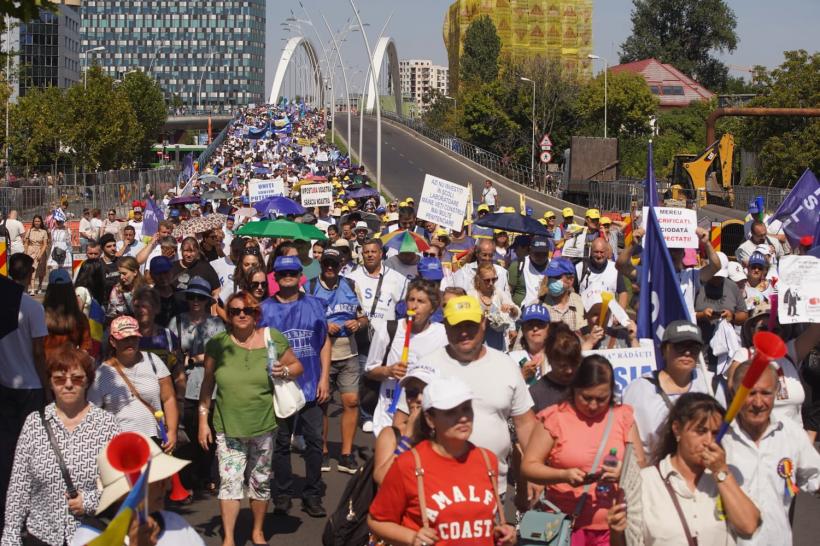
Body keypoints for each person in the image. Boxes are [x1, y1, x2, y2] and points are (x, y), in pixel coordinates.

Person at [198, 291, 303, 546]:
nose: (242, 315)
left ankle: (257, 531)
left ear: (257, 314)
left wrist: (285, 370)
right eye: (235, 311)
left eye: (248, 310)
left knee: (260, 482)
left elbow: (298, 366)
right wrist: (203, 420)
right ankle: (230, 538)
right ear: (228, 316)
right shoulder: (217, 344)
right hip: (228, 427)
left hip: (264, 426)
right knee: (230, 484)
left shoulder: (271, 338)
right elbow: (207, 384)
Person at [368, 376, 516, 546]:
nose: (463, 418)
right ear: (430, 419)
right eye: (451, 412)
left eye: (466, 409)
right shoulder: (409, 464)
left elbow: (472, 520)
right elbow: (377, 520)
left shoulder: (486, 459)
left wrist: (499, 531)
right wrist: (412, 537)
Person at [2, 345, 119, 546]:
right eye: (59, 379)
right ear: (51, 383)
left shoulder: (107, 425)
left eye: (76, 378)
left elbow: (122, 483)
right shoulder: (34, 423)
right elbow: (19, 486)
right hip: (42, 535)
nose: (68, 385)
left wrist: (90, 501)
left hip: (90, 536)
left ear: (88, 381)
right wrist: (10, 535)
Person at [607, 393, 760, 546]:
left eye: (715, 433)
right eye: (700, 431)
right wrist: (617, 531)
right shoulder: (646, 481)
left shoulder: (723, 478)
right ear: (677, 430)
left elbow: (748, 526)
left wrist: (721, 472)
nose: (709, 442)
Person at [423, 295, 537, 493]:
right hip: (436, 488)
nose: (464, 332)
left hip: (492, 488)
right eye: (457, 325)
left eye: (471, 325)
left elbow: (525, 424)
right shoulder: (426, 366)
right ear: (446, 326)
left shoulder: (506, 365)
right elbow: (404, 422)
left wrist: (534, 473)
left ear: (483, 323)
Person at [258, 255, 330, 518]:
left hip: (311, 384)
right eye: (282, 272)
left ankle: (312, 495)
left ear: (300, 275)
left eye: (292, 272)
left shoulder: (315, 305)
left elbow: (324, 342)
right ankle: (283, 493)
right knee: (280, 443)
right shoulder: (264, 309)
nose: (287, 276)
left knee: (313, 441)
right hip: (279, 386)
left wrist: (324, 377)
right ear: (275, 277)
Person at [721, 362, 820, 546]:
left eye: (766, 393)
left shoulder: (790, 432)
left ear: (776, 392)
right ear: (735, 393)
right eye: (750, 393)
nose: (758, 403)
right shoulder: (719, 437)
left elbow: (815, 475)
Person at [71, 431, 203, 546]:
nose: (167, 486)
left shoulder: (175, 523)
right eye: (157, 481)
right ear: (124, 494)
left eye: (165, 479)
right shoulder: (89, 537)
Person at [623, 320, 727, 460]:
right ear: (664, 350)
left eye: (694, 347)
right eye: (680, 346)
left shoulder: (712, 386)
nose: (688, 352)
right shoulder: (639, 390)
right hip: (654, 474)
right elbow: (630, 446)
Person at [306, 248, 367, 474]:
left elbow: (363, 317)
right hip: (321, 354)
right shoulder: (310, 287)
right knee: (322, 403)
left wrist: (357, 324)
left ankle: (346, 453)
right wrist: (322, 325)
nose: (330, 267)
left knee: (351, 401)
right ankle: (322, 451)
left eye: (334, 263)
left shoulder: (350, 286)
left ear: (341, 264)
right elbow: (304, 319)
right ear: (321, 264)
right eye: (326, 263)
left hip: (348, 352)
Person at [0, 255, 49, 532]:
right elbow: (39, 353)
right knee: (31, 451)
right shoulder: (31, 307)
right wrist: (46, 387)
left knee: (8, 450)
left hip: (6, 385)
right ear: (31, 273)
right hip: (30, 387)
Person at [365, 279, 448, 437]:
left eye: (421, 301)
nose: (414, 306)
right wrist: (388, 370)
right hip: (387, 417)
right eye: (411, 300)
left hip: (424, 419)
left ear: (432, 308)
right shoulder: (389, 329)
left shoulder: (442, 334)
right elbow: (370, 370)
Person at [88, 316, 179, 453]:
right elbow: (92, 413)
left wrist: (172, 431)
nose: (130, 342)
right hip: (119, 443)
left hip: (155, 439)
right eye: (124, 339)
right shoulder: (102, 374)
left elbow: (169, 398)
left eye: (133, 338)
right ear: (113, 341)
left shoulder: (153, 361)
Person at [169, 277, 226, 494]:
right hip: (183, 386)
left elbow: (221, 354)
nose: (195, 301)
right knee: (187, 434)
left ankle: (205, 475)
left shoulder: (216, 324)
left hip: (209, 385)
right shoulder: (177, 322)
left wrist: (196, 358)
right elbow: (171, 354)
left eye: (199, 298)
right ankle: (188, 480)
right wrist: (188, 359)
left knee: (208, 433)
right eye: (191, 297)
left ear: (206, 300)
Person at [372, 363, 439, 486]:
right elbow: (382, 478)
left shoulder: (444, 434)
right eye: (412, 392)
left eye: (425, 391)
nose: (418, 398)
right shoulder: (391, 434)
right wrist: (408, 438)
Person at [467, 262, 519, 351]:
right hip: (478, 343)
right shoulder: (471, 295)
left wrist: (511, 308)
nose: (491, 283)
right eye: (487, 280)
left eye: (494, 279)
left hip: (498, 343)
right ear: (478, 279)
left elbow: (516, 311)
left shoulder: (498, 293)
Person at [43, 268, 92, 359]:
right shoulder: (80, 318)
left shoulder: (39, 317)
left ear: (49, 291)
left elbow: (35, 349)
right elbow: (86, 347)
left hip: (44, 367)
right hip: (70, 367)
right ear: (70, 290)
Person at [539, 257, 586, 332]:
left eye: (556, 277)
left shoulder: (581, 303)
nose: (551, 281)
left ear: (570, 280)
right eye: (550, 277)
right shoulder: (538, 305)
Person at [508, 235, 550, 307]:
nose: (541, 257)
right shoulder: (518, 265)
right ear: (530, 250)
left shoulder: (554, 267)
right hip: (522, 312)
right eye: (537, 253)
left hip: (547, 311)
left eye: (544, 254)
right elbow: (508, 291)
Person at [106, 256, 146, 320]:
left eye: (124, 274)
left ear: (135, 272)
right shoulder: (117, 290)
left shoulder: (146, 290)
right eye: (120, 274)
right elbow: (111, 315)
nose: (121, 277)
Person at [23, 214, 49, 295]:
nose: (37, 222)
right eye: (35, 221)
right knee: (32, 270)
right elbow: (26, 243)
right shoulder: (29, 230)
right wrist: (26, 253)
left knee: (41, 270)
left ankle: (40, 286)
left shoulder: (44, 232)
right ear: (33, 222)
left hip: (41, 251)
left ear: (41, 222)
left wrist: (41, 254)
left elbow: (45, 244)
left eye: (38, 221)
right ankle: (32, 288)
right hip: (31, 251)